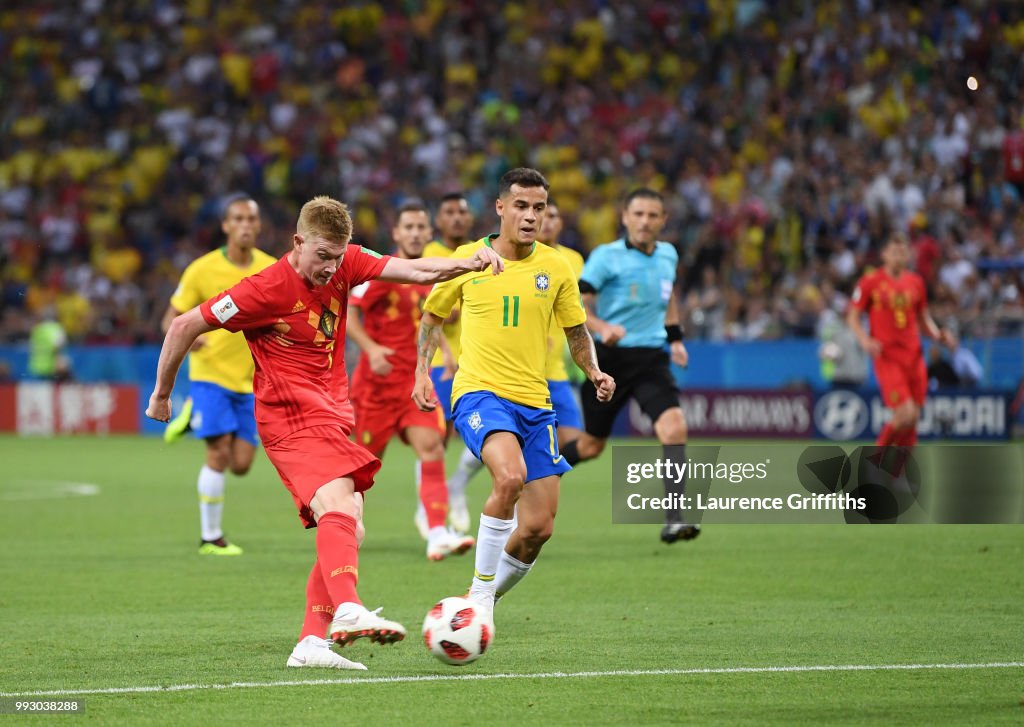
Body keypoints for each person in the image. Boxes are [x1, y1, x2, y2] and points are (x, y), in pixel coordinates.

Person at [146, 195, 503, 670]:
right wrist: (161, 394)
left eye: (338, 256)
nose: (330, 267)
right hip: (288, 419)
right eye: (321, 256)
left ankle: (311, 642)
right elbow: (185, 324)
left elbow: (417, 271)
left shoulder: (345, 264)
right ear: (298, 242)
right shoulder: (264, 289)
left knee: (350, 519)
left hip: (333, 414)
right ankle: (349, 609)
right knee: (339, 506)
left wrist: (470, 261)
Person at [413, 168, 614, 619]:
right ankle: (481, 600)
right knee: (509, 477)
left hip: (536, 404)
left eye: (538, 208)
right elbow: (432, 318)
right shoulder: (467, 259)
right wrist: (422, 373)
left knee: (538, 529)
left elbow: (576, 331)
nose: (530, 216)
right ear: (500, 207)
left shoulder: (556, 267)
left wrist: (594, 371)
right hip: (480, 394)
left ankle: (479, 598)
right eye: (520, 206)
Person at [560, 188, 696, 544]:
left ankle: (675, 519)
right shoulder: (606, 258)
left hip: (652, 358)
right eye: (638, 214)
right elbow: (576, 308)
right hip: (610, 361)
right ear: (625, 217)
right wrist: (604, 328)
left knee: (674, 429)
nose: (645, 222)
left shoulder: (668, 254)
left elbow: (669, 299)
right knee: (590, 446)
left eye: (653, 215)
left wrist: (676, 338)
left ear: (663, 220)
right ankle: (537, 474)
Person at [346, 201, 475, 560]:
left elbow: (433, 321)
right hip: (375, 386)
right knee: (363, 467)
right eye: (409, 227)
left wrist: (446, 353)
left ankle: (437, 533)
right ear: (397, 234)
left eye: (422, 227)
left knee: (432, 447)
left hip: (415, 382)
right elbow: (350, 313)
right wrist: (371, 348)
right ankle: (344, 526)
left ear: (429, 234)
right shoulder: (379, 271)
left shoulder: (432, 275)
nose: (416, 233)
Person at [444, 200, 586, 520]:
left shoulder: (570, 262)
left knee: (580, 445)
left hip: (552, 374)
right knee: (506, 462)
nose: (541, 219)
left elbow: (581, 315)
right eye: (531, 210)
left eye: (549, 213)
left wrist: (593, 364)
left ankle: (523, 502)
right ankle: (475, 485)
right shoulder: (486, 258)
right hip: (493, 377)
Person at [160, 196, 277, 556]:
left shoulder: (272, 269)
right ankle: (211, 538)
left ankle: (193, 417)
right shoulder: (202, 269)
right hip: (210, 375)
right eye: (237, 219)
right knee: (217, 455)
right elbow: (170, 320)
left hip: (250, 381)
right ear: (226, 225)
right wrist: (190, 341)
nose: (245, 225)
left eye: (251, 219)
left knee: (240, 465)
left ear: (258, 226)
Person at [847, 232, 954, 453]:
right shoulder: (870, 282)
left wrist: (937, 335)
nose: (899, 255)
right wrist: (865, 340)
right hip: (887, 356)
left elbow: (923, 318)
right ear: (884, 254)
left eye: (903, 251)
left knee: (913, 416)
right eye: (895, 251)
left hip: (914, 356)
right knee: (904, 412)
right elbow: (853, 316)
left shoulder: (916, 283)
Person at [415, 192, 475, 535]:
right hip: (439, 362)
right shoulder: (429, 256)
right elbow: (435, 313)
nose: (456, 218)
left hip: (473, 362)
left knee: (467, 437)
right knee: (434, 440)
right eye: (449, 212)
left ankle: (454, 487)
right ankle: (430, 511)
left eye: (461, 212)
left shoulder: (478, 254)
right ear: (438, 220)